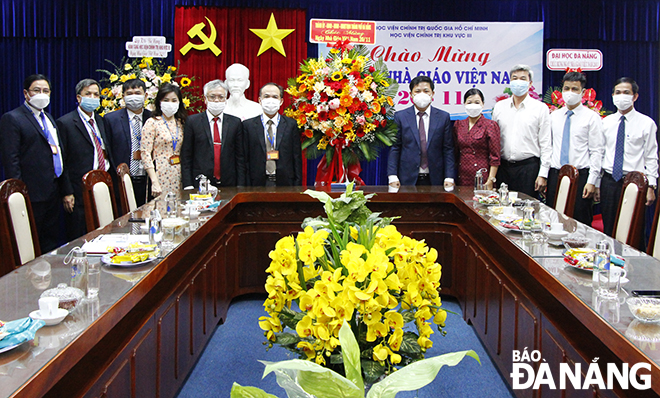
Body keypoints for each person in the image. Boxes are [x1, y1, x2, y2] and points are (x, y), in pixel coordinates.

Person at [0, 74, 67, 252]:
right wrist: (18, 192)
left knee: (50, 241)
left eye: (46, 91)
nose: (41, 94)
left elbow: (58, 152)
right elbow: (11, 158)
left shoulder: (49, 119)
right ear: (26, 93)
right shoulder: (13, 118)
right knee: (30, 242)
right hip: (31, 192)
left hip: (52, 190)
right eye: (36, 90)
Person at [596, 77, 658, 236]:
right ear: (612, 96)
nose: (621, 96)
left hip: (635, 183)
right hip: (609, 182)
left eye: (626, 92)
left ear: (635, 96)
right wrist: (596, 183)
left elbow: (651, 156)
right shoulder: (606, 122)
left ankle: (634, 261)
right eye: (618, 92)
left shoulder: (646, 123)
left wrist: (651, 186)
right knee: (609, 229)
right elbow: (599, 153)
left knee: (634, 230)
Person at [543, 72, 603, 226]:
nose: (570, 93)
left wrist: (592, 182)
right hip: (556, 174)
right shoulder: (554, 116)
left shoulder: (591, 117)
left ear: (583, 92)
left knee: (579, 224)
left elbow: (597, 151)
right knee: (553, 220)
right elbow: (548, 147)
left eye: (575, 89)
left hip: (580, 177)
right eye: (567, 88)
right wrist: (544, 175)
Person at [57, 78, 114, 240]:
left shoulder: (101, 121)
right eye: (88, 94)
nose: (92, 97)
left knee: (103, 234)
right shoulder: (65, 123)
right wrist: (67, 192)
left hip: (102, 186)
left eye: (96, 94)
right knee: (80, 237)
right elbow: (63, 161)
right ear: (78, 97)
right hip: (79, 190)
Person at [492, 64, 551, 198]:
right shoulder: (499, 107)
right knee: (501, 210)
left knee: (526, 210)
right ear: (510, 82)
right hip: (503, 169)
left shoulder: (540, 108)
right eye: (515, 78)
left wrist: (543, 174)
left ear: (530, 84)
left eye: (523, 79)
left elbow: (546, 144)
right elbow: (494, 140)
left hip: (528, 169)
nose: (518, 82)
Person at [387, 75, 455, 188]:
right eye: (417, 91)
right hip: (407, 177)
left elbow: (448, 149)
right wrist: (392, 175)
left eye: (426, 91)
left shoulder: (443, 117)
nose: (422, 94)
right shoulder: (400, 117)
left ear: (432, 94)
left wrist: (449, 176)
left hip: (436, 178)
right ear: (411, 94)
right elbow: (395, 148)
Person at [181, 79, 245, 189]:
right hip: (200, 182)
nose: (216, 100)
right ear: (205, 99)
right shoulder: (193, 122)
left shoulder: (235, 122)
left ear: (225, 100)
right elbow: (186, 155)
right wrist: (188, 184)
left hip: (229, 183)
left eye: (221, 97)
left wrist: (240, 185)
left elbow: (240, 157)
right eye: (212, 97)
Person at [242, 83, 302, 186]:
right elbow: (244, 159)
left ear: (281, 101)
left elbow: (296, 157)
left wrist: (297, 185)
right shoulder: (248, 125)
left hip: (285, 183)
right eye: (266, 96)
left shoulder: (291, 125)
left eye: (275, 97)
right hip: (256, 183)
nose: (270, 100)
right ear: (260, 100)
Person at [105, 78, 152, 206]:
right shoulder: (111, 119)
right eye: (129, 94)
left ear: (146, 95)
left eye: (137, 93)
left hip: (148, 180)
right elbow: (108, 150)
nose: (134, 97)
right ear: (123, 96)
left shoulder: (153, 118)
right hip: (122, 181)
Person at [140, 83, 187, 197]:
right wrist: (154, 181)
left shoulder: (182, 123)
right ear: (159, 102)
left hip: (180, 174)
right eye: (166, 100)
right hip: (160, 173)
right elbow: (145, 153)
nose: (170, 103)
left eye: (174, 100)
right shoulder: (152, 123)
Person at [453, 88, 500, 190]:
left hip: (482, 176)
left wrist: (491, 179)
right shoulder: (459, 124)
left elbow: (495, 157)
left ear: (483, 104)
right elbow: (455, 152)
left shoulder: (490, 125)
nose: (473, 105)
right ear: (464, 104)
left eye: (477, 102)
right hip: (462, 176)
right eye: (469, 102)